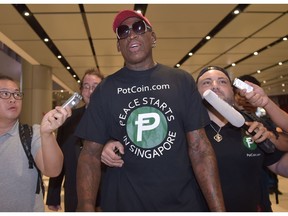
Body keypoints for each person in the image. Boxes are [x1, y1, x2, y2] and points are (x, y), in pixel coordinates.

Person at [75, 10, 225, 212]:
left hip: (181, 204)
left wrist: (219, 209)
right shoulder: (105, 89)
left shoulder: (181, 81)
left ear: (152, 37)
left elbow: (200, 149)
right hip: (124, 204)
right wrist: (85, 207)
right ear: (118, 46)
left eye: (138, 28)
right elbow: (89, 156)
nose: (131, 34)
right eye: (123, 31)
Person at [102, 66, 288, 211]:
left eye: (222, 81)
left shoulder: (251, 126)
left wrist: (268, 107)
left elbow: (281, 167)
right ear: (194, 94)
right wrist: (110, 143)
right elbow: (139, 143)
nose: (215, 86)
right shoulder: (181, 130)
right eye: (206, 83)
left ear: (233, 91)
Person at [0, 74, 71, 212]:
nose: (13, 99)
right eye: (5, 94)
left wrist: (47, 134)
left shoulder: (32, 134)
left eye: (16, 94)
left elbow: (53, 170)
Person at [46, 68, 104, 212]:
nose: (90, 91)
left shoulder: (113, 119)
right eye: (86, 86)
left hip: (105, 192)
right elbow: (60, 157)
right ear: (80, 90)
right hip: (74, 191)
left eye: (95, 86)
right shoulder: (68, 119)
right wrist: (53, 194)